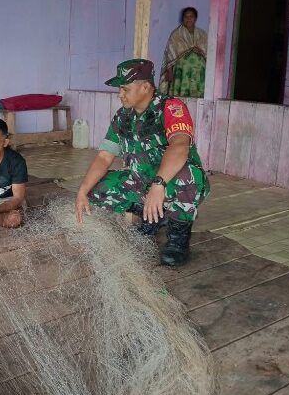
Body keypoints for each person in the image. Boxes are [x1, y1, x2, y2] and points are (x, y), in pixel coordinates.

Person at [75, 59, 210, 266]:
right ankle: (153, 217)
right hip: (142, 180)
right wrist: (83, 190)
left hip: (171, 182)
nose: (120, 94)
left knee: (187, 175)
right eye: (120, 89)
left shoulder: (171, 107)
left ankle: (178, 239)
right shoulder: (122, 116)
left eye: (125, 88)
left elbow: (180, 146)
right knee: (96, 189)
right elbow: (104, 156)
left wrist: (158, 184)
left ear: (145, 87)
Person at [159, 7, 208, 98]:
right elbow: (170, 55)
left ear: (195, 18)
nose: (189, 19)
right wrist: (169, 72)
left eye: (191, 16)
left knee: (198, 101)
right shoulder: (176, 34)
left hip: (199, 74)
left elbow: (208, 54)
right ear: (182, 19)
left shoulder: (202, 35)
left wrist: (199, 50)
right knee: (180, 100)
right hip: (181, 74)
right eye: (186, 17)